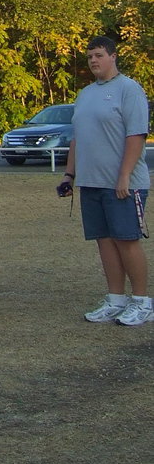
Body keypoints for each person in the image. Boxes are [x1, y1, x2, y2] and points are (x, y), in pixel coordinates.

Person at [59, 35, 151, 326]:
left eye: (99, 55)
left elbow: (136, 136)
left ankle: (142, 302)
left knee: (126, 241)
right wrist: (69, 175)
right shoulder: (85, 94)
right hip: (92, 182)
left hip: (123, 184)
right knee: (104, 242)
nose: (94, 61)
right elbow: (78, 138)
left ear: (113, 56)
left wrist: (123, 175)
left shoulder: (129, 89)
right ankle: (115, 300)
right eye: (90, 57)